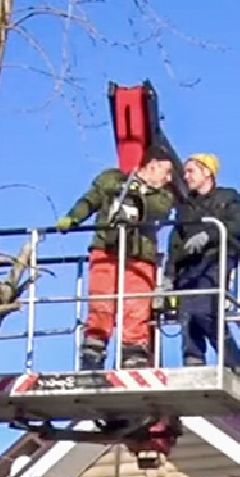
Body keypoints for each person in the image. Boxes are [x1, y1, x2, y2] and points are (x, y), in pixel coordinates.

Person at [55, 157, 176, 369]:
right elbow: (90, 199)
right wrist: (73, 218)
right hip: (106, 248)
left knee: (136, 305)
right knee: (101, 301)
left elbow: (160, 210)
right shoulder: (111, 179)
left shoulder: (163, 196)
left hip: (140, 254)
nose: (168, 179)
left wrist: (137, 196)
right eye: (166, 172)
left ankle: (133, 353)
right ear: (152, 164)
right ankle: (93, 351)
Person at [166, 152, 240, 371]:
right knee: (187, 314)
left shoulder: (228, 197)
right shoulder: (185, 208)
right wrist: (168, 274)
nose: (186, 176)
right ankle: (193, 359)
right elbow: (175, 241)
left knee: (204, 308)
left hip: (215, 259)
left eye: (191, 171)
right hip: (189, 265)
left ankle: (234, 360)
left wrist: (209, 235)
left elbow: (237, 225)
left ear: (207, 172)